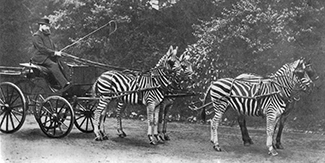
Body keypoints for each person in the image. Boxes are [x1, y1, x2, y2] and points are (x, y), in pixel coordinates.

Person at [31, 18, 70, 89]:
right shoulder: (36, 36)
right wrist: (54, 53)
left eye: (48, 26)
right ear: (41, 26)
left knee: (62, 64)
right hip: (40, 58)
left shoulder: (47, 36)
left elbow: (52, 47)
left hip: (48, 57)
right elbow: (41, 48)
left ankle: (63, 82)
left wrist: (57, 52)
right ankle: (64, 85)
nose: (48, 28)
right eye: (46, 26)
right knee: (54, 65)